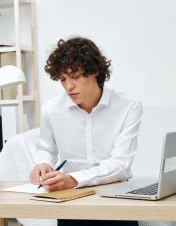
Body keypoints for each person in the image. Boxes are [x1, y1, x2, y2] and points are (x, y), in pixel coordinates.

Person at [29, 37, 143, 226]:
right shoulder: (51, 110)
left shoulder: (128, 107)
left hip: (117, 199)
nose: (68, 87)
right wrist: (43, 163)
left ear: (95, 71)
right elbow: (46, 149)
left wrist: (73, 179)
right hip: (71, 201)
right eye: (63, 80)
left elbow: (121, 164)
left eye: (75, 77)